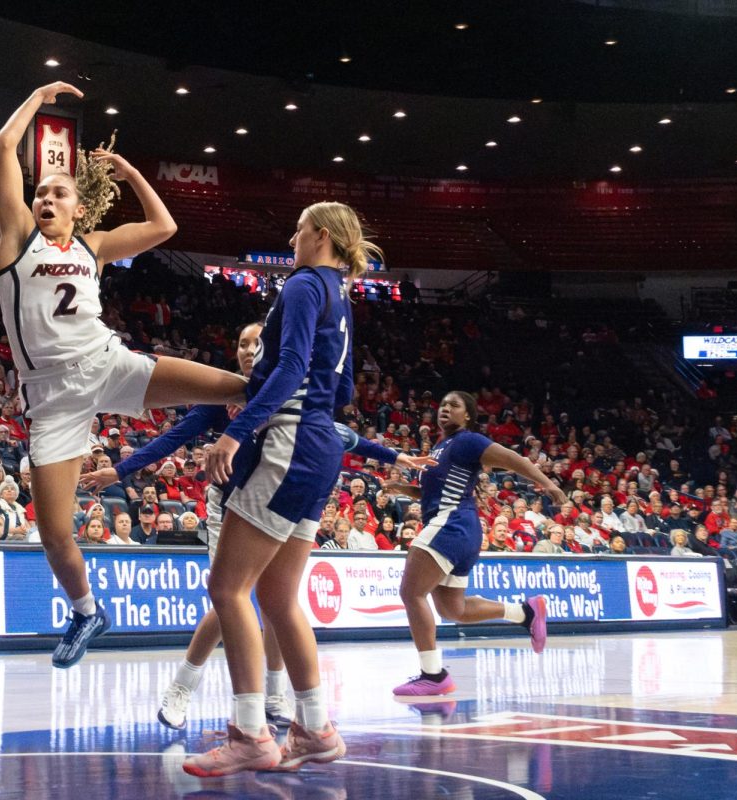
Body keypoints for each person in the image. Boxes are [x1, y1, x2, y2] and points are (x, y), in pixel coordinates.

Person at [0, 82, 247, 668]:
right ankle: (87, 612)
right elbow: (6, 145)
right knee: (55, 531)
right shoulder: (15, 242)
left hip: (107, 364)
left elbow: (165, 228)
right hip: (51, 397)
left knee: (236, 386)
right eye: (41, 194)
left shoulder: (95, 245)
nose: (46, 200)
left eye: (59, 193)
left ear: (79, 207)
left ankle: (298, 408)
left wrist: (130, 171)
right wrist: (36, 96)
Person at [80, 321, 430, 732]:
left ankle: (274, 695)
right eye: (242, 343)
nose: (248, 350)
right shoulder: (226, 393)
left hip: (277, 499)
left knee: (277, 601)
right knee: (230, 598)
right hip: (227, 504)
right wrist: (118, 472)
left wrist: (395, 458)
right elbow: (174, 436)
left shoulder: (287, 392)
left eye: (256, 343)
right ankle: (182, 688)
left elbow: (341, 434)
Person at [181, 201, 375, 777]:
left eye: (296, 228)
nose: (291, 237)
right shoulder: (340, 295)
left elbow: (290, 369)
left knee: (227, 587)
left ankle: (249, 733)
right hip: (321, 449)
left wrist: (237, 431)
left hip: (289, 443)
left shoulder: (303, 285)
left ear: (319, 234)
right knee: (278, 598)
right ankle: (314, 727)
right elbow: (339, 390)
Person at [385, 391, 567, 702]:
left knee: (410, 592)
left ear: (467, 415)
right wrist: (406, 489)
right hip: (461, 530)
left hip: (451, 525)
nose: (445, 409)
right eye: (442, 405)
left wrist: (547, 484)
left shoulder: (468, 440)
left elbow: (516, 460)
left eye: (454, 405)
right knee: (451, 608)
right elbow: (438, 491)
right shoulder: (442, 447)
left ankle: (433, 676)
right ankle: (523, 612)